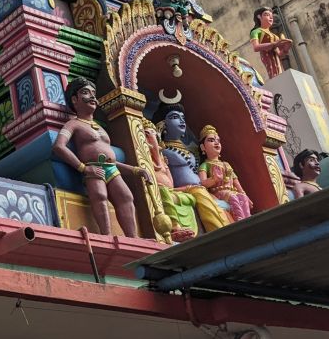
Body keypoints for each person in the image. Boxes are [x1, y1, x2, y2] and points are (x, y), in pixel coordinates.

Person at [51, 77, 149, 237]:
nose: (92, 97)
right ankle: (106, 235)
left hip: (111, 168)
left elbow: (112, 161)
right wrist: (84, 168)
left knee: (125, 196)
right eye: (85, 92)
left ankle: (133, 237)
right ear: (75, 99)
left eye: (93, 93)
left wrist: (135, 170)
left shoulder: (101, 128)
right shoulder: (74, 124)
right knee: (100, 196)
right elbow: (58, 147)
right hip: (93, 168)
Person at [158, 105, 233, 232]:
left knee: (225, 205)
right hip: (186, 189)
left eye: (183, 118)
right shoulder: (164, 151)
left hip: (200, 188)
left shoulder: (189, 151)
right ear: (163, 125)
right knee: (204, 199)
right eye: (175, 117)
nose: (182, 121)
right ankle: (220, 233)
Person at [142, 119, 199, 241]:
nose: (151, 137)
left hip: (171, 191)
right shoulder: (144, 156)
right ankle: (174, 226)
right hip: (159, 192)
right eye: (147, 134)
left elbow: (171, 183)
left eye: (153, 133)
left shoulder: (163, 159)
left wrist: (159, 157)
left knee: (190, 197)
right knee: (163, 191)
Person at [197, 125, 252, 220]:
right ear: (203, 147)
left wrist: (245, 195)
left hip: (232, 191)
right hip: (219, 193)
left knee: (242, 198)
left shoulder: (226, 164)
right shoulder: (205, 165)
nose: (216, 143)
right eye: (211, 140)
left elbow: (235, 181)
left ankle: (249, 221)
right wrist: (213, 180)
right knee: (233, 198)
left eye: (218, 140)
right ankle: (240, 222)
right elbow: (203, 183)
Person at [249, 7, 292, 79]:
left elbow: (279, 54)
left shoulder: (275, 36)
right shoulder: (256, 31)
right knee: (273, 73)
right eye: (267, 15)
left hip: (277, 59)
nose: (271, 18)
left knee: (280, 73)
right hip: (267, 56)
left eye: (271, 16)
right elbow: (256, 47)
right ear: (259, 17)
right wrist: (274, 44)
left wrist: (286, 48)